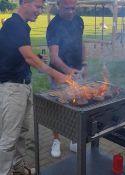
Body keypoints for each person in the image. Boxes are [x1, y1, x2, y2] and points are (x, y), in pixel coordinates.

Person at [0, 0, 69, 174]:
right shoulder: (14, 25)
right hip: (12, 89)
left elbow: (21, 55)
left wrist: (35, 56)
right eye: (37, 7)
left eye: (41, 7)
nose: (40, 11)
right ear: (24, 3)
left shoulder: (21, 26)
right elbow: (30, 58)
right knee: (9, 138)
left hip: (23, 86)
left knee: (22, 132)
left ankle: (17, 167)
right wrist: (57, 74)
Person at [46, 0, 87, 158]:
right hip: (59, 74)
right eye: (66, 8)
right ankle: (56, 140)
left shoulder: (79, 20)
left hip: (76, 70)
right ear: (58, 5)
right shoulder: (54, 26)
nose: (71, 11)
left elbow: (82, 43)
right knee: (58, 107)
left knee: (76, 105)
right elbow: (54, 58)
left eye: (73, 8)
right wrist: (71, 73)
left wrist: (84, 64)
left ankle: (73, 138)